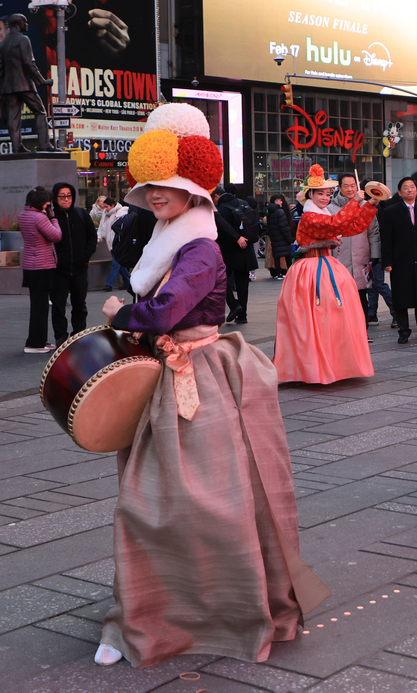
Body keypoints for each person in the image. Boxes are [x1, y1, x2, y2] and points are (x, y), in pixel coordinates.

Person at [93, 103, 330, 667]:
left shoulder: (198, 247)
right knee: (151, 501)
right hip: (167, 372)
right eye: (151, 186)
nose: (157, 195)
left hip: (199, 375)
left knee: (206, 500)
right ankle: (150, 609)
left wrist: (122, 314)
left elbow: (165, 311)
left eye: (169, 187)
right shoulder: (168, 236)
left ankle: (220, 608)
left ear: (194, 191)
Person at [275, 166, 378, 384]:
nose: (325, 197)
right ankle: (313, 368)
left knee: (333, 318)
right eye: (320, 193)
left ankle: (333, 365)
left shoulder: (323, 214)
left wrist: (370, 204)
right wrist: (355, 201)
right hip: (310, 272)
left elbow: (354, 227)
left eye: (327, 194)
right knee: (314, 319)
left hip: (326, 268)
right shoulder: (309, 217)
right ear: (310, 195)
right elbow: (337, 224)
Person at [380, 177, 417, 343]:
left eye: (412, 187)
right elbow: (386, 239)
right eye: (406, 187)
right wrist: (387, 262)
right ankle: (403, 331)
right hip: (400, 260)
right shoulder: (390, 212)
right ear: (399, 192)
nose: (410, 190)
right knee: (401, 297)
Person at [0, 13, 54, 152]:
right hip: (24, 85)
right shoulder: (24, 40)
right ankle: (44, 145)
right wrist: (41, 81)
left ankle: (17, 148)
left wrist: (1, 90)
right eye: (24, 22)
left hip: (9, 88)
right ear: (18, 24)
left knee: (14, 118)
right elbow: (29, 63)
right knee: (40, 112)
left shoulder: (3, 44)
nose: (26, 25)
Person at [50, 182, 97, 345]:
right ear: (55, 198)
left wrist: (86, 255)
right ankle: (60, 336)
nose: (66, 199)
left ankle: (79, 334)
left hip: (80, 268)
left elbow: (92, 236)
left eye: (69, 196)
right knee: (58, 306)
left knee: (80, 305)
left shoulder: (81, 214)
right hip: (58, 270)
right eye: (62, 196)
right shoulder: (51, 217)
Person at [330, 174, 382, 323]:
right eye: (346, 186)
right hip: (339, 259)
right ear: (339, 188)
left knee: (361, 296)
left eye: (353, 185)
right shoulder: (331, 208)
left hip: (361, 258)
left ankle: (363, 329)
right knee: (341, 296)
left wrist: (375, 254)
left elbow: (373, 232)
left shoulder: (366, 206)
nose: (350, 189)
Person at [19, 187, 61, 354]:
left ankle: (39, 340)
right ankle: (35, 343)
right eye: (46, 202)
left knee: (38, 304)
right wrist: (53, 218)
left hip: (31, 265)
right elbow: (56, 236)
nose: (48, 205)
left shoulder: (23, 215)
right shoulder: (40, 218)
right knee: (40, 307)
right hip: (42, 265)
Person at [211, 186, 255, 324]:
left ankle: (234, 305)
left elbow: (219, 231)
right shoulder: (244, 204)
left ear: (217, 196)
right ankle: (243, 316)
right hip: (246, 249)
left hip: (227, 251)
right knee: (243, 283)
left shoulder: (221, 210)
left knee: (219, 279)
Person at [95, 197, 129, 291]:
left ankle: (109, 285)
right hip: (111, 243)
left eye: (106, 207)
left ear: (112, 205)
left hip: (119, 242)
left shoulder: (121, 212)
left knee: (116, 264)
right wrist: (98, 238)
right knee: (119, 264)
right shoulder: (105, 214)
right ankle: (128, 281)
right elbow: (102, 227)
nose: (105, 209)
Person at [265, 194, 294, 279]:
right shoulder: (280, 212)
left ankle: (278, 273)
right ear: (276, 201)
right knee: (287, 255)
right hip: (282, 237)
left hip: (274, 237)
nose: (282, 202)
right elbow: (284, 227)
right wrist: (289, 239)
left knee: (277, 256)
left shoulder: (270, 212)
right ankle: (289, 272)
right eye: (280, 200)